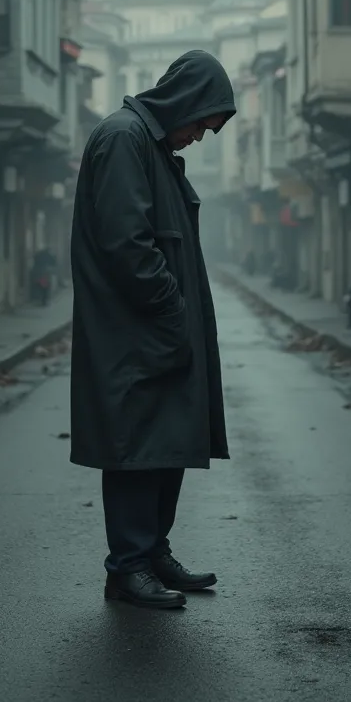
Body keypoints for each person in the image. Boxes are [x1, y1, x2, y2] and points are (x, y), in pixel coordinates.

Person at [69, 50, 236, 611]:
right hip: (135, 331)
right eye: (201, 124)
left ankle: (153, 551)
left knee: (166, 443)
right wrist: (170, 310)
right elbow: (127, 243)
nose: (200, 137)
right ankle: (129, 567)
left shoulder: (152, 145)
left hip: (154, 329)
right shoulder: (124, 138)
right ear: (184, 104)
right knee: (136, 447)